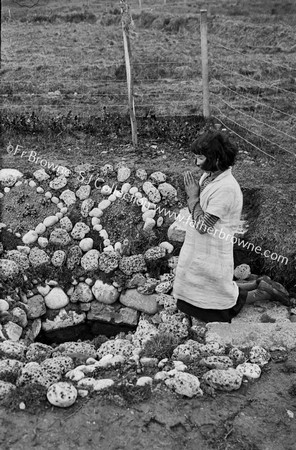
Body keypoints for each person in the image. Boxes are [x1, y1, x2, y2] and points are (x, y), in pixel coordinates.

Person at [173, 130, 290, 323]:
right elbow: (200, 212)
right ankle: (257, 284)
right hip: (200, 247)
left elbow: (203, 225)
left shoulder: (226, 188)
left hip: (213, 246)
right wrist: (194, 198)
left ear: (216, 159)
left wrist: (192, 197)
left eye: (200, 158)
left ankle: (262, 293)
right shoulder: (209, 176)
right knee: (216, 286)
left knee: (220, 303)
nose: (196, 163)